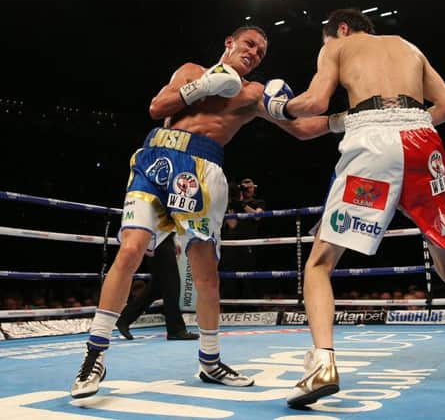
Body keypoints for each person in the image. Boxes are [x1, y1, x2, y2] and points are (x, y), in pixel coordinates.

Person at [261, 8, 445, 405]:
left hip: (373, 147)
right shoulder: (409, 48)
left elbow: (312, 103)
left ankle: (322, 365)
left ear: (342, 30)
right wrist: (401, 121)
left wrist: (279, 107)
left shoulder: (339, 46)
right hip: (423, 142)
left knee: (319, 263)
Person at [70, 25, 337, 399]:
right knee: (130, 250)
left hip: (203, 168)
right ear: (229, 43)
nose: (255, 53)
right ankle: (93, 356)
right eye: (249, 45)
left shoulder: (254, 93)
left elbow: (300, 128)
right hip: (156, 157)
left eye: (261, 52)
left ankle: (210, 361)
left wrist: (347, 121)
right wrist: (204, 86)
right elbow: (156, 108)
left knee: (206, 275)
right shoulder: (192, 71)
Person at [115, 232, 199, 340]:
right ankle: (176, 330)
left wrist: (175, 240)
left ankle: (125, 319)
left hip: (160, 238)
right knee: (172, 284)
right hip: (159, 238)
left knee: (157, 286)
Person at [220, 177, 266, 297]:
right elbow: (232, 225)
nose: (247, 188)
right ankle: (231, 306)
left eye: (249, 185)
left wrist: (242, 203)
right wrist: (232, 201)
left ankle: (250, 305)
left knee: (248, 276)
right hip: (232, 243)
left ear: (254, 188)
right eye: (244, 186)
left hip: (249, 243)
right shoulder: (232, 204)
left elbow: (257, 216)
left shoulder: (258, 203)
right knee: (229, 275)